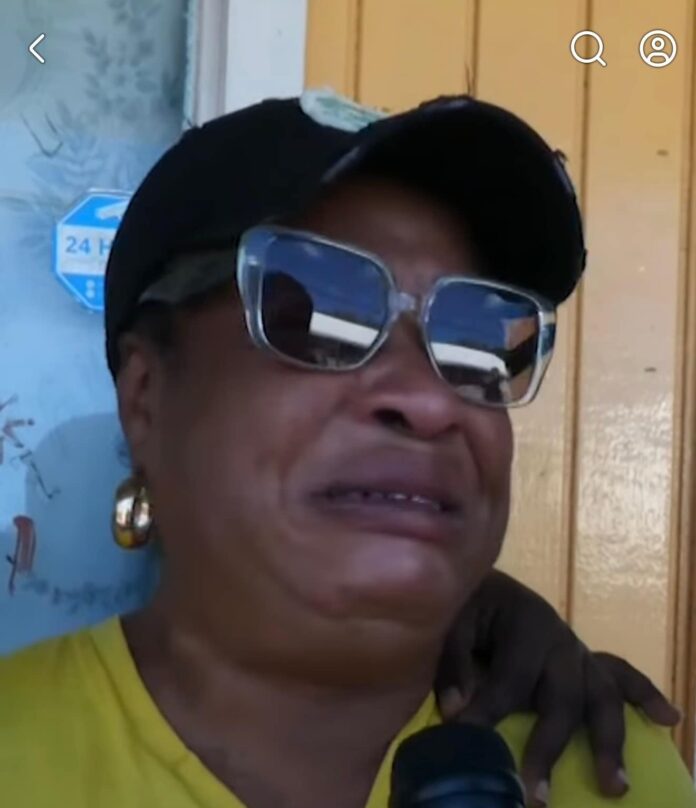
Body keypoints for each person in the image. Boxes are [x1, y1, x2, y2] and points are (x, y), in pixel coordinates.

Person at [1, 90, 693, 808]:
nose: (431, 401)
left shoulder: (620, 782)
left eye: (477, 340)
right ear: (146, 397)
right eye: (317, 314)